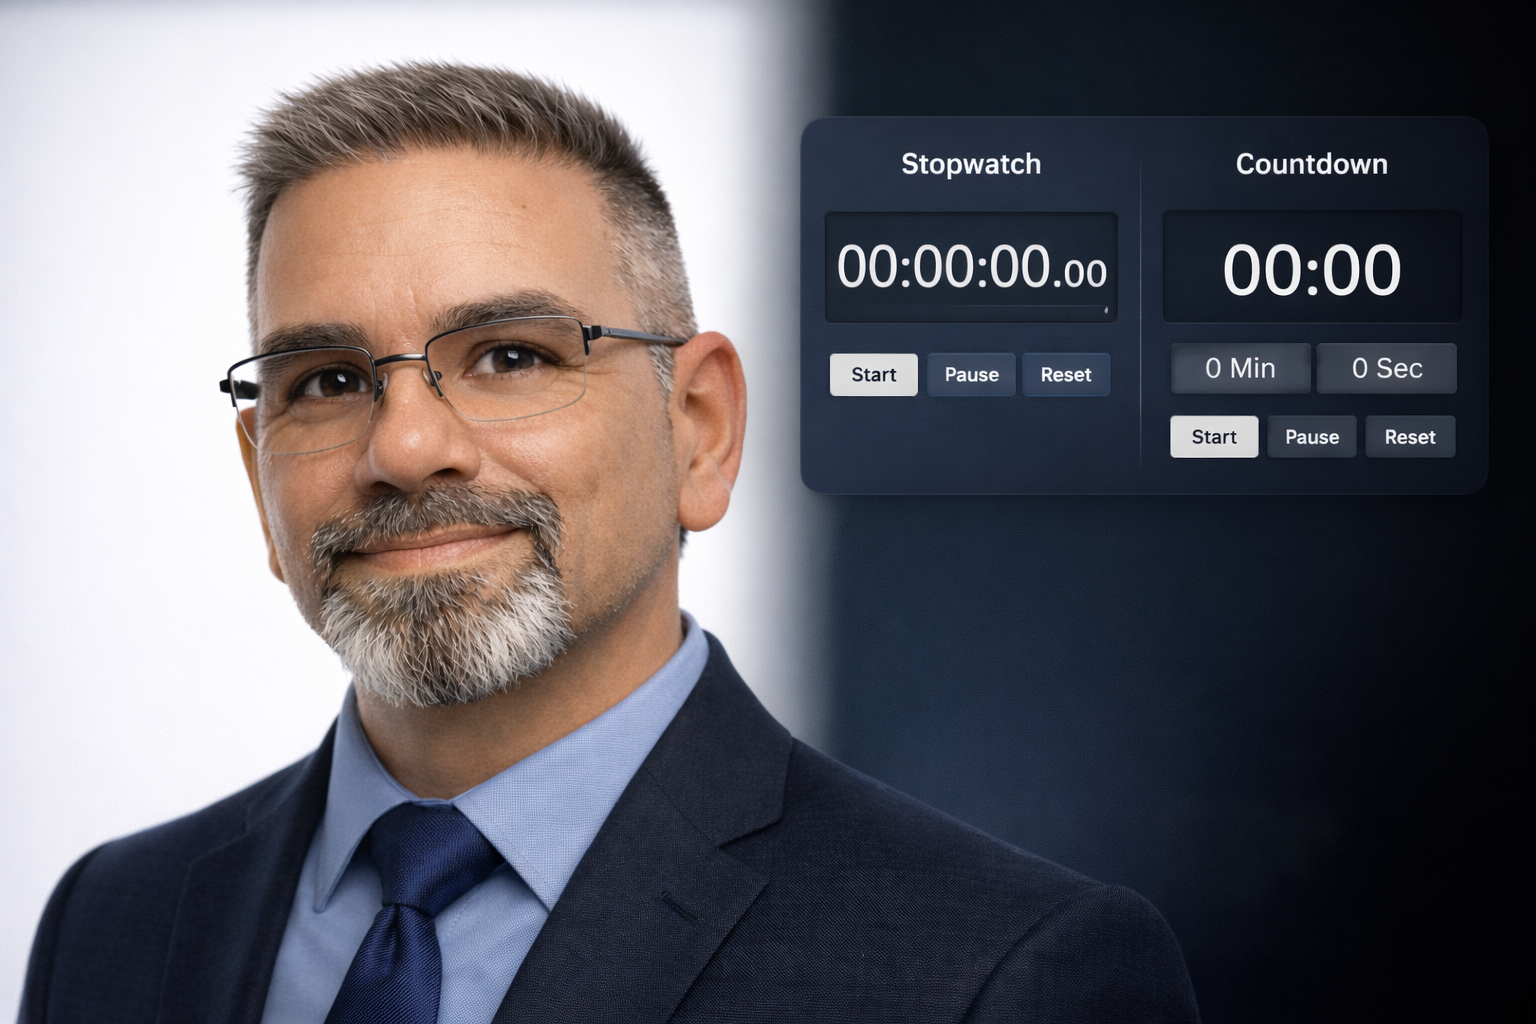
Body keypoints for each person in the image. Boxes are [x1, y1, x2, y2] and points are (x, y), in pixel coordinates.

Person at [19, 63, 1198, 1024]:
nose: (408, 444)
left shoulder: (1004, 974)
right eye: (325, 380)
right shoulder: (114, 921)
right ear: (257, 473)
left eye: (513, 355)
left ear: (700, 431)